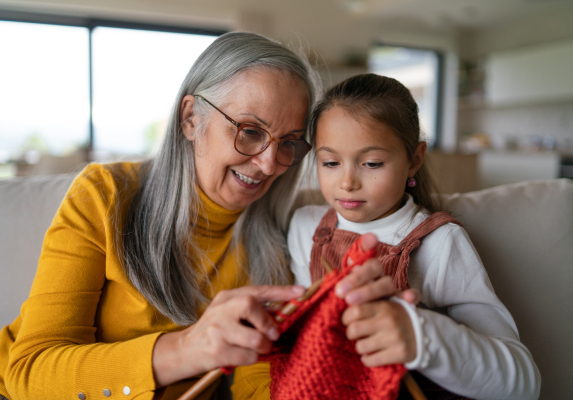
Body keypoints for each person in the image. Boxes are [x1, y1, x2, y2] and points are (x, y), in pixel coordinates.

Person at [0, 33, 415, 400]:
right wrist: (188, 348)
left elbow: (256, 379)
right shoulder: (105, 196)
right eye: (249, 131)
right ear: (190, 119)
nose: (268, 164)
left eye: (289, 143)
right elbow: (31, 370)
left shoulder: (285, 231)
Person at [232, 73, 541, 399]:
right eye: (331, 162)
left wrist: (418, 334)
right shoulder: (305, 226)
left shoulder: (440, 244)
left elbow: (523, 383)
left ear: (414, 159)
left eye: (372, 163)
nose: (347, 182)